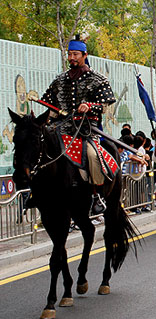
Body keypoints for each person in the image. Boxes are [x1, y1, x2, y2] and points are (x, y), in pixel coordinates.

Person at [41, 36, 117, 214]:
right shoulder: (59, 80)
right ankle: (37, 193)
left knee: (92, 155)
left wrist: (90, 106)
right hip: (60, 129)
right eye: (69, 54)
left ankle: (96, 194)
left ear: (84, 55)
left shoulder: (98, 79)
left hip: (86, 130)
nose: (72, 58)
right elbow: (48, 103)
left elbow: (105, 104)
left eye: (75, 54)